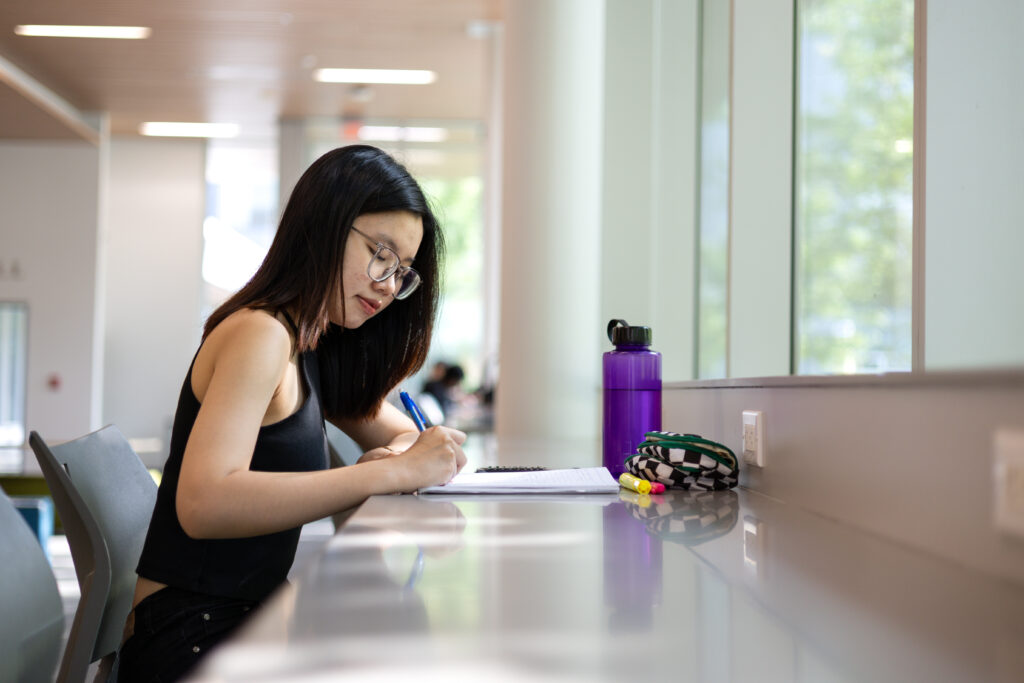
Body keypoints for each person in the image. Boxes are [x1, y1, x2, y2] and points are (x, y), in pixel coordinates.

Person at [116, 145, 467, 682]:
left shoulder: (311, 343)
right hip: (191, 634)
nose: (389, 284)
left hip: (244, 618)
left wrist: (405, 456)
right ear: (325, 224)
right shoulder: (261, 333)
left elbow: (406, 438)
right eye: (380, 253)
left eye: (402, 271)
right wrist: (386, 471)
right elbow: (204, 502)